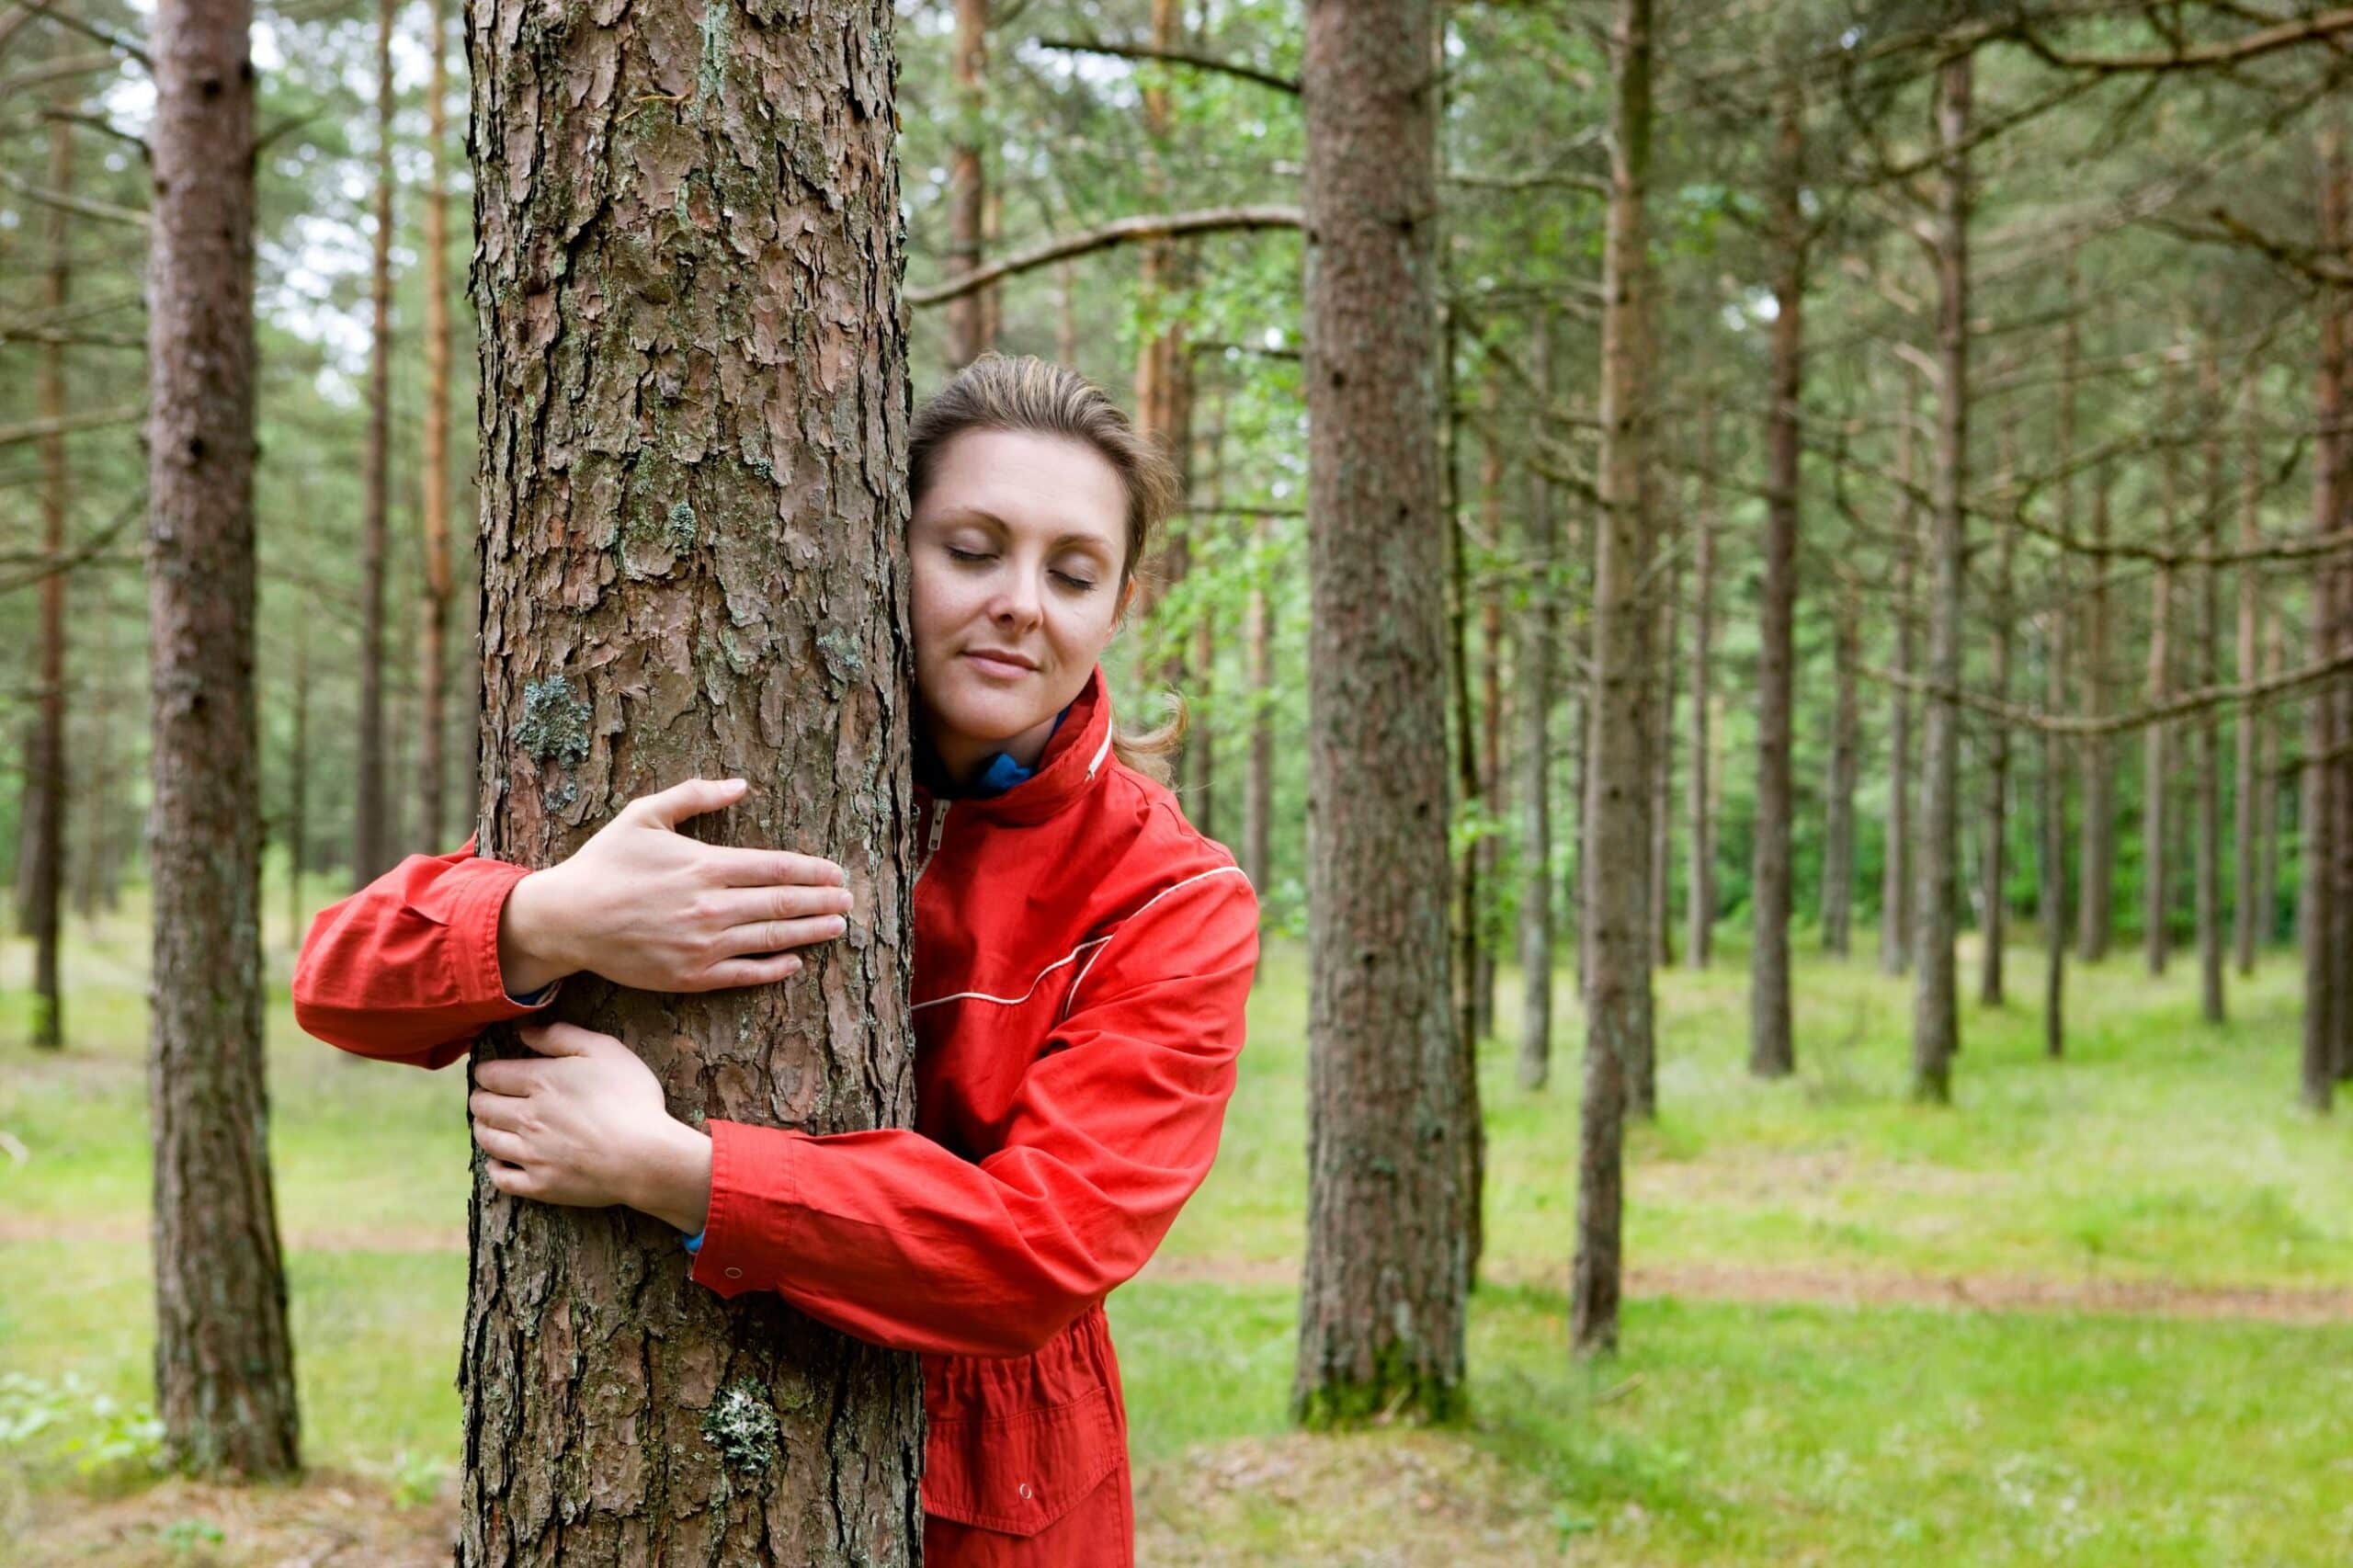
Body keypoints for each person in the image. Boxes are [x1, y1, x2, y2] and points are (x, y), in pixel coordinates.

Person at [292, 354, 1258, 1566]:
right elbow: (338, 983)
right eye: (971, 550)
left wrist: (670, 1168)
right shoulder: (745, 749)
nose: (1022, 602)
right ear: (881, 546)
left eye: (1072, 573)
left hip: (1003, 1498)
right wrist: (550, 919)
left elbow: (1040, 1247)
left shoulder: (1172, 896)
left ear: (1117, 607)